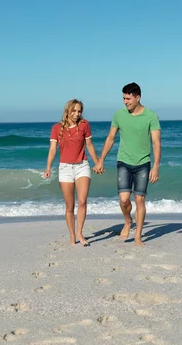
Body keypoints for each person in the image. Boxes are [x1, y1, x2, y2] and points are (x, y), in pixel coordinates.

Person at [93, 83, 161, 246]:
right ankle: (128, 221)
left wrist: (156, 166)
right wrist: (101, 159)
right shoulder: (119, 115)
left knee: (140, 199)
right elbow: (110, 138)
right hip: (123, 161)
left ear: (138, 97)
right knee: (124, 200)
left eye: (128, 98)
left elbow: (156, 142)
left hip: (143, 162)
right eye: (123, 98)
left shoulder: (151, 116)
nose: (125, 102)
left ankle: (138, 235)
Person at [44, 99, 99, 246]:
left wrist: (97, 162)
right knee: (69, 206)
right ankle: (72, 235)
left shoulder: (84, 125)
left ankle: (80, 233)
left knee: (82, 201)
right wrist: (48, 167)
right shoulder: (56, 128)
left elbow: (89, 145)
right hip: (65, 169)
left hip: (82, 166)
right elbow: (52, 150)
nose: (77, 114)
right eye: (74, 111)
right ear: (67, 111)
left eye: (79, 111)